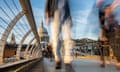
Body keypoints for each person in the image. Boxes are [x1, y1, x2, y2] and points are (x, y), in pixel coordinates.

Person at [45, 0, 73, 69]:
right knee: (56, 39)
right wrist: (47, 12)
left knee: (68, 38)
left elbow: (67, 4)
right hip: (55, 14)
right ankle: (58, 59)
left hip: (66, 15)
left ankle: (68, 60)